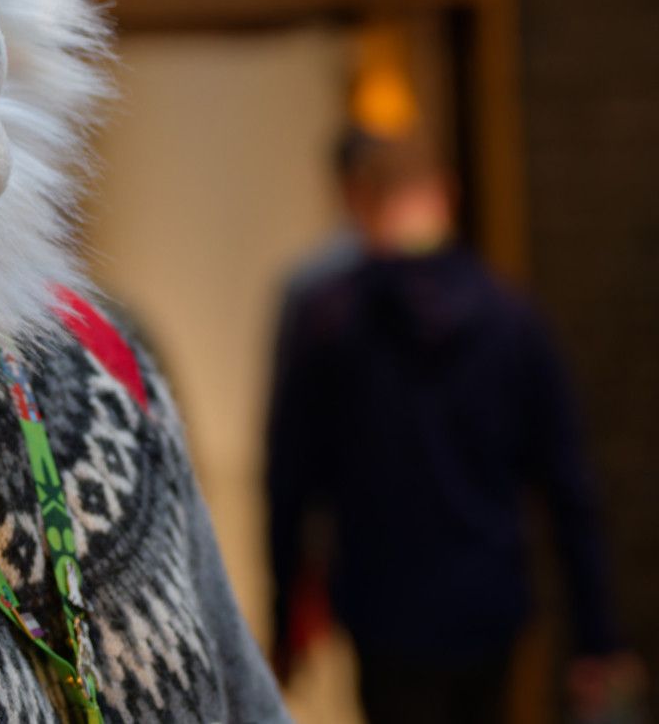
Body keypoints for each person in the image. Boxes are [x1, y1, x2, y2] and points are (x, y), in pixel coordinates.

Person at [266, 130, 644, 724]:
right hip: (489, 608)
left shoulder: (330, 327)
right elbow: (570, 490)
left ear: (363, 201)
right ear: (448, 196)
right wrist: (596, 638)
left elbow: (287, 486)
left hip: (383, 613)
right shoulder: (512, 320)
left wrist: (284, 621)